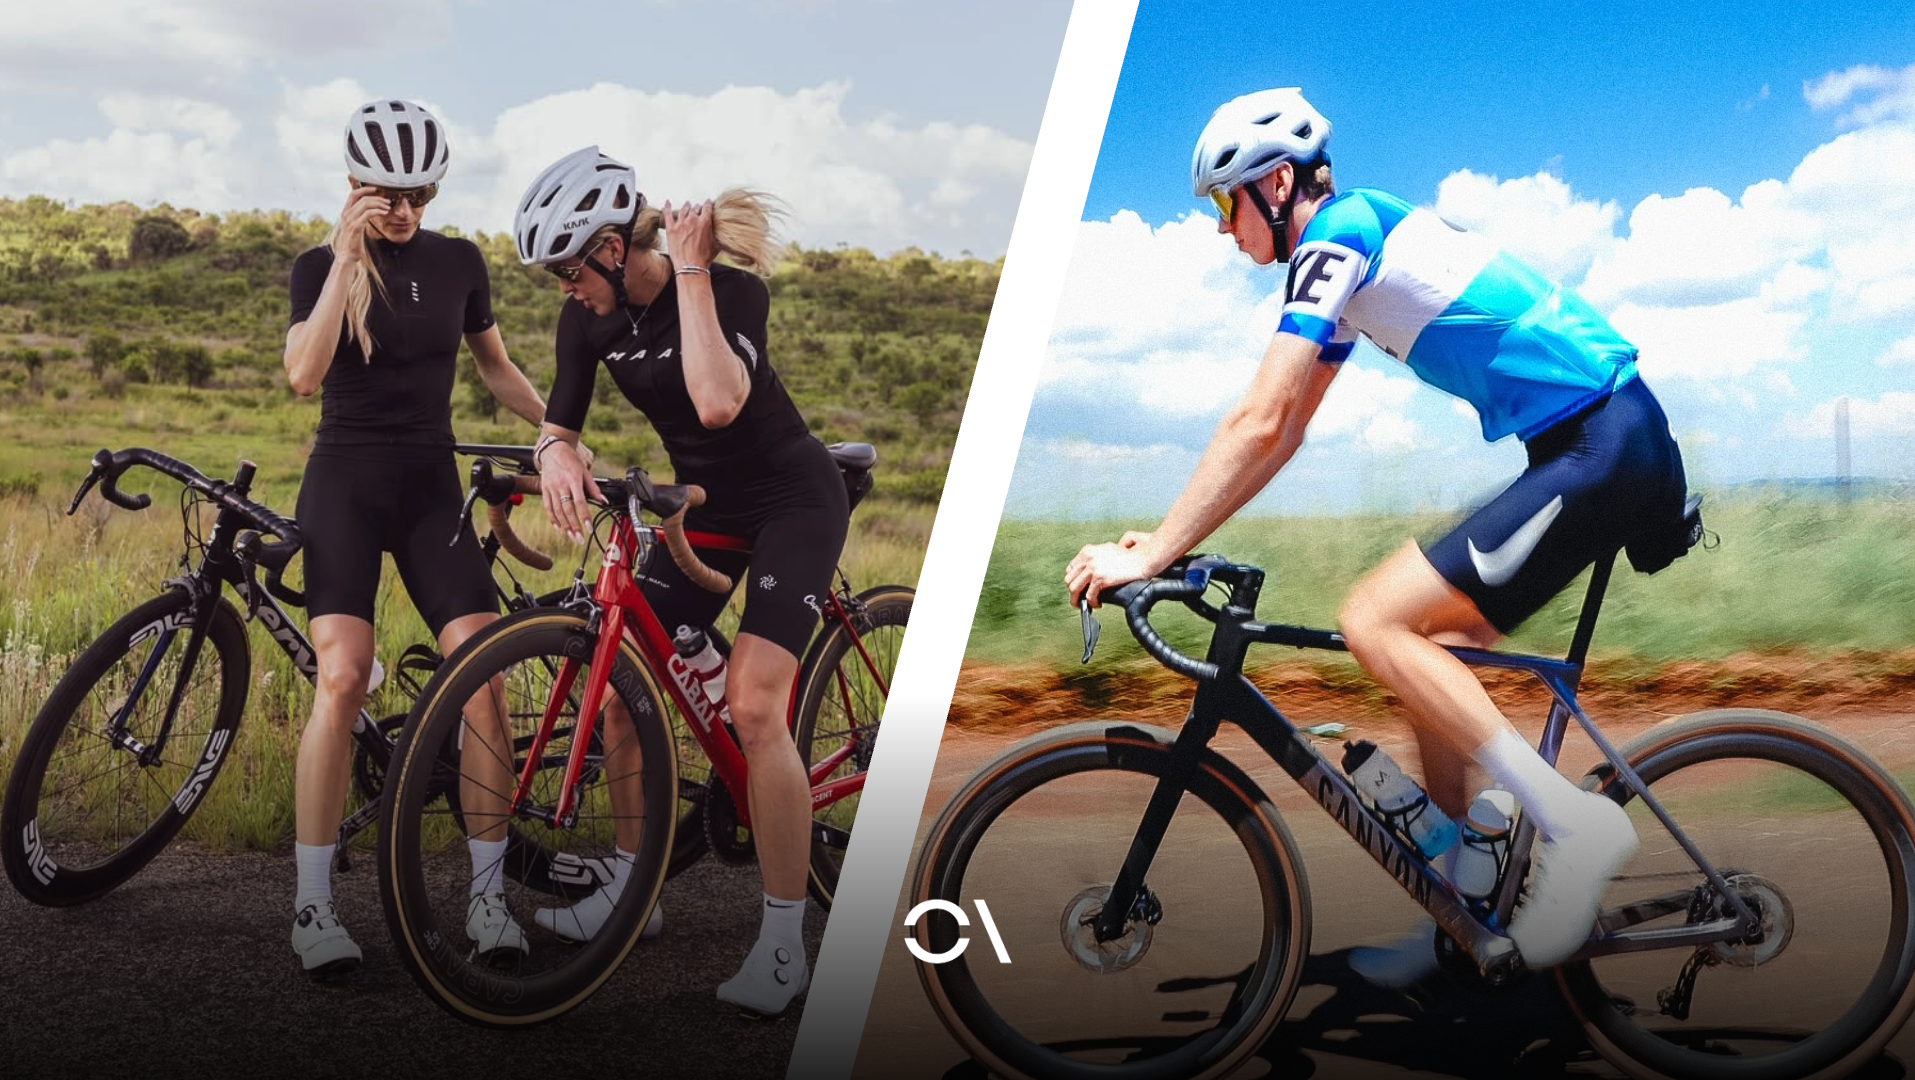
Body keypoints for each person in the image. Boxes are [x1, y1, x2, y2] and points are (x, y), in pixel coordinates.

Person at [1066, 88, 1686, 985]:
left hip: (1602, 441)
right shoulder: (1351, 256)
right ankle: (1463, 900)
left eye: (1220, 203)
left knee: (1375, 621)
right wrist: (1171, 536)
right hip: (1588, 441)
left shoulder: (1337, 236)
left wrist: (1156, 551)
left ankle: (1571, 823)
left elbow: (1259, 418)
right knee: (1429, 647)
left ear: (1274, 186)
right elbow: (1281, 432)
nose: (1217, 228)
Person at [511, 146, 849, 1017]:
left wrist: (693, 271)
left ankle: (783, 945)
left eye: (568, 268)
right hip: (701, 508)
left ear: (614, 252)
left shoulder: (733, 294)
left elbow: (716, 404)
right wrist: (553, 451)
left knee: (756, 705)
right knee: (617, 689)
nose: (563, 288)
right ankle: (635, 895)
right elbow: (560, 416)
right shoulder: (586, 322)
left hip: (791, 502)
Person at [283, 99, 550, 976]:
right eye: (388, 193)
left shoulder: (460, 262)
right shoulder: (318, 265)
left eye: (421, 193)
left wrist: (560, 435)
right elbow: (302, 373)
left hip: (430, 488)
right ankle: (314, 905)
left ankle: (486, 901)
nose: (405, 209)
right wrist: (345, 258)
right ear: (356, 184)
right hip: (345, 484)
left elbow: (494, 367)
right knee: (344, 675)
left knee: (480, 673)